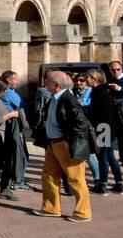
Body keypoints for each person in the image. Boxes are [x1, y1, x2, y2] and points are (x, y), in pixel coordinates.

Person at [30, 70, 94, 222]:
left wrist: (68, 140)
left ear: (56, 85)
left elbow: (82, 123)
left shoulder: (69, 100)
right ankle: (51, 208)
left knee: (76, 179)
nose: (45, 83)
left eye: (48, 81)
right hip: (53, 143)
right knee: (49, 175)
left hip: (65, 144)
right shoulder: (54, 98)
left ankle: (83, 212)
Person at [86, 68, 123, 194]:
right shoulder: (105, 90)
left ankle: (102, 184)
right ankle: (119, 183)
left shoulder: (98, 92)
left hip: (103, 127)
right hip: (108, 127)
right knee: (109, 156)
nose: (86, 80)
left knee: (103, 156)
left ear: (94, 79)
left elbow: (96, 112)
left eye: (88, 77)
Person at [0, 71, 36, 191]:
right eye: (15, 79)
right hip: (14, 125)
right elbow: (22, 105)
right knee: (21, 155)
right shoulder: (8, 93)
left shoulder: (7, 91)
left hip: (12, 126)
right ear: (8, 80)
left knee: (18, 154)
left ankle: (14, 179)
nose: (17, 81)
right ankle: (18, 181)